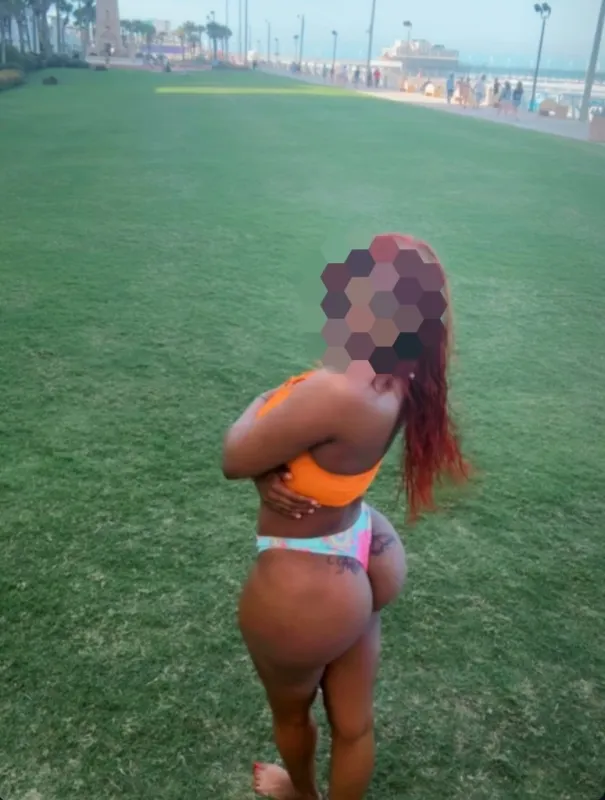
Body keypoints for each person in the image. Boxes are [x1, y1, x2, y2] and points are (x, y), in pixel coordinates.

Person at [222, 234, 469, 800]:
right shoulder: (403, 376)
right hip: (363, 545)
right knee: (354, 725)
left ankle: (302, 794)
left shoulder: (334, 389)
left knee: (291, 714)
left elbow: (236, 456)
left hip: (308, 580)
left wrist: (259, 406)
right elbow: (316, 452)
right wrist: (270, 469)